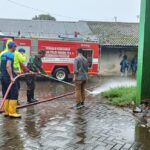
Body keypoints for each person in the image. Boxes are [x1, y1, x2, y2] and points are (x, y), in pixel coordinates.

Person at [1, 41, 21, 118]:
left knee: (6, 93)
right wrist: (11, 77)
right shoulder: (10, 55)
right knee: (14, 93)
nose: (15, 48)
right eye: (15, 47)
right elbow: (8, 66)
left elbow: (2, 66)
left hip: (3, 76)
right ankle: (12, 112)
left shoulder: (3, 54)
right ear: (12, 47)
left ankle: (7, 112)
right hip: (8, 77)